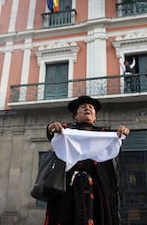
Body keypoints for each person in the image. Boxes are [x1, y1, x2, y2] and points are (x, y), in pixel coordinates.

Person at [44, 95, 130, 225]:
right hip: (69, 187)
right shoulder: (66, 130)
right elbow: (51, 132)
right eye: (83, 107)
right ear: (75, 116)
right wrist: (52, 127)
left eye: (91, 108)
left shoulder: (104, 134)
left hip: (98, 188)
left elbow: (117, 138)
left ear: (95, 117)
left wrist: (122, 132)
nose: (87, 109)